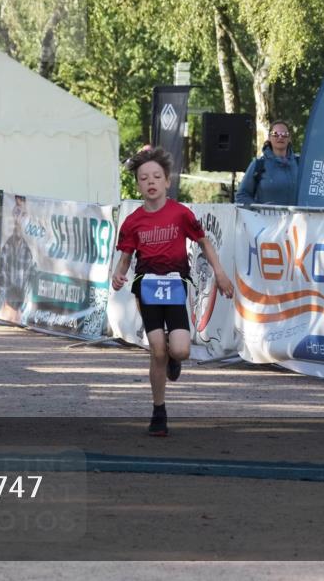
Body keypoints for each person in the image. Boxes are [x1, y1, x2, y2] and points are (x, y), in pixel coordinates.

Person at [112, 146, 234, 436]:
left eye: (156, 176)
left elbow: (204, 242)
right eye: (144, 178)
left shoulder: (181, 214)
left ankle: (174, 357)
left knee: (179, 349)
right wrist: (119, 275)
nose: (150, 182)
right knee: (156, 351)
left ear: (167, 181)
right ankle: (158, 412)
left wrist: (219, 273)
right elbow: (127, 257)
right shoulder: (133, 222)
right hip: (147, 285)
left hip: (176, 283)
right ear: (139, 184)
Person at [235, 120, 300, 206]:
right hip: (265, 218)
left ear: (289, 138)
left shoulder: (300, 164)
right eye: (275, 134)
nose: (280, 137)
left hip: (297, 219)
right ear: (269, 137)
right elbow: (242, 196)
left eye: (284, 134)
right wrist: (258, 211)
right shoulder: (258, 165)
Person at [0, 195, 35, 324]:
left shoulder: (29, 252)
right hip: (7, 313)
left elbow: (29, 289)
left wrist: (20, 311)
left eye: (23, 214)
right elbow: (1, 283)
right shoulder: (6, 247)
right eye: (16, 212)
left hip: (19, 315)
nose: (18, 218)